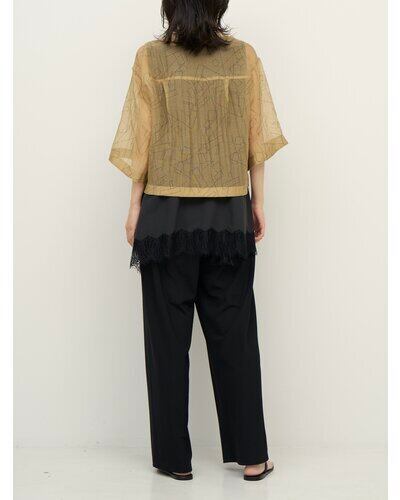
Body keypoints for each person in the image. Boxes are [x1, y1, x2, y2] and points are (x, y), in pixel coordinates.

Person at [109, 0, 287, 481]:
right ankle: (253, 457)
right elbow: (257, 140)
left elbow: (140, 141)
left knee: (166, 342)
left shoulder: (150, 58)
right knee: (235, 336)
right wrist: (258, 202)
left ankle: (174, 461)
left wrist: (134, 207)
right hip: (228, 215)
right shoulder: (244, 56)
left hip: (164, 219)